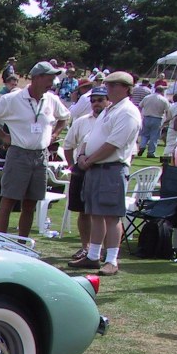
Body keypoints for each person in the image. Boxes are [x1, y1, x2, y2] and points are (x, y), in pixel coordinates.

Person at [0, 61, 70, 237]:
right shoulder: (13, 99)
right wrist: (3, 136)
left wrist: (55, 134)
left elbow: (65, 117)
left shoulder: (51, 99)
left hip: (41, 156)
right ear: (37, 78)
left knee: (31, 203)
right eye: (49, 79)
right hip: (19, 154)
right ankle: (1, 241)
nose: (52, 83)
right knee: (9, 200)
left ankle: (22, 243)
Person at [70, 71, 143, 275]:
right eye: (108, 85)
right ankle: (93, 255)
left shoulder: (127, 112)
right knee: (95, 214)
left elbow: (113, 144)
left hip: (111, 168)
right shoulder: (109, 111)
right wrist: (83, 155)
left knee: (111, 216)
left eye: (114, 85)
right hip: (95, 168)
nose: (109, 88)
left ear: (126, 88)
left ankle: (111, 260)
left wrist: (89, 160)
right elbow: (90, 136)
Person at [62, 86, 109, 263]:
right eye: (93, 100)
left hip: (104, 170)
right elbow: (68, 145)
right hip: (81, 170)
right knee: (83, 211)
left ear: (108, 100)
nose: (96, 103)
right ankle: (86, 247)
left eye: (100, 100)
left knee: (105, 213)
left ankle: (106, 250)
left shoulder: (113, 119)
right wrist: (72, 167)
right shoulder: (81, 121)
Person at [137, 85, 170, 158]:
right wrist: (167, 120)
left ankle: (142, 146)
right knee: (154, 136)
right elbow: (168, 111)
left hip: (146, 117)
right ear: (162, 91)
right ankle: (151, 152)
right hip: (157, 118)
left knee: (144, 134)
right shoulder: (164, 100)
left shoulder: (147, 97)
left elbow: (140, 106)